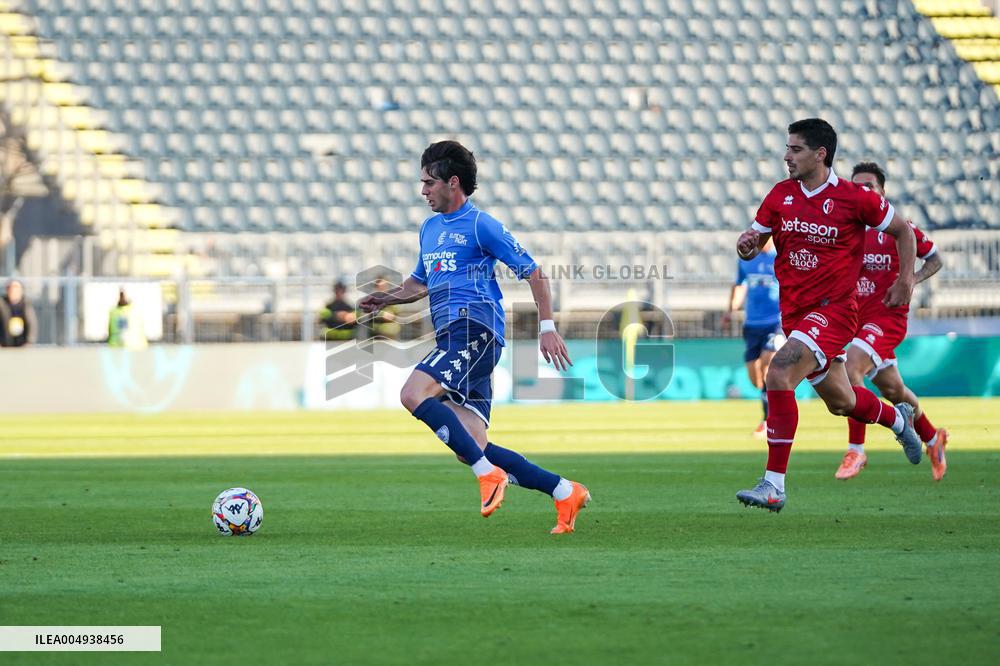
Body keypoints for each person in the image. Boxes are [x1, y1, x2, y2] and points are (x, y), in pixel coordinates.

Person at [358, 140, 590, 534]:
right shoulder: (429, 228)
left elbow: (533, 272)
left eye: (429, 183)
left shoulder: (482, 225)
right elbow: (420, 281)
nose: (423, 191)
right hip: (453, 335)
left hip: (475, 330)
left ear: (453, 182)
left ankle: (489, 476)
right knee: (472, 446)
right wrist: (388, 298)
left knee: (412, 394)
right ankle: (565, 491)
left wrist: (547, 328)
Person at [734, 118, 922, 512]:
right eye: (787, 148)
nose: (787, 156)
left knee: (779, 372)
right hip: (796, 314)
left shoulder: (856, 198)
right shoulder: (780, 195)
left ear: (820, 154)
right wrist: (747, 244)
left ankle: (774, 485)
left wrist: (905, 281)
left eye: (795, 149)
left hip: (834, 311)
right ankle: (899, 420)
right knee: (843, 401)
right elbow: (753, 241)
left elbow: (904, 231)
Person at [835, 162, 948, 481]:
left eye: (869, 185)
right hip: (857, 322)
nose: (863, 190)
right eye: (857, 186)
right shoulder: (849, 232)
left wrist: (910, 280)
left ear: (883, 192)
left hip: (886, 319)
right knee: (895, 390)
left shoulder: (900, 229)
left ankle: (856, 450)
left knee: (849, 371)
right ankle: (932, 438)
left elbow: (935, 258)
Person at [721, 237, 783, 437]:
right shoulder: (747, 259)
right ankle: (771, 409)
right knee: (756, 379)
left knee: (767, 364)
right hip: (752, 324)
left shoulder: (781, 257)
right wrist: (730, 311)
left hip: (776, 322)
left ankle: (768, 422)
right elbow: (739, 285)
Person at [0, 279, 37, 347]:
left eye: (16, 288)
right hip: (5, 344)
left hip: (22, 344)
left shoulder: (26, 303)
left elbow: (31, 323)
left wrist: (29, 341)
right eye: (10, 288)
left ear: (21, 291)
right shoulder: (2, 303)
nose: (13, 291)